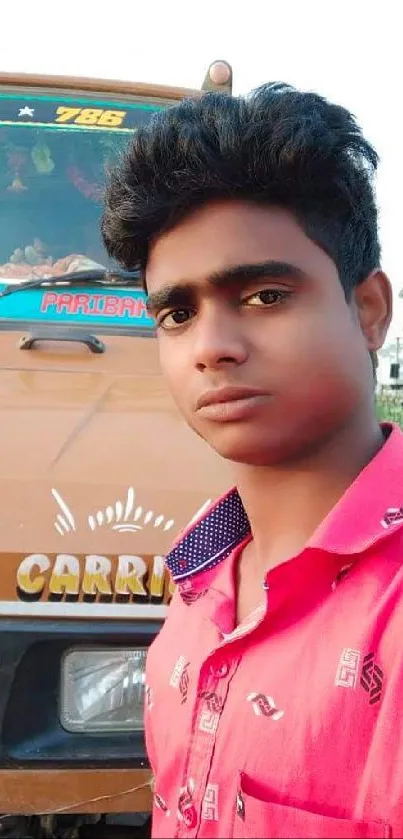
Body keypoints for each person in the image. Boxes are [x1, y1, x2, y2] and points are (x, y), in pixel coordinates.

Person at [101, 82, 403, 839]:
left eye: (265, 295)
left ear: (367, 309)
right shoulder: (199, 576)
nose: (211, 347)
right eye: (177, 313)